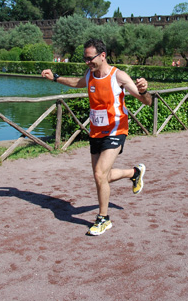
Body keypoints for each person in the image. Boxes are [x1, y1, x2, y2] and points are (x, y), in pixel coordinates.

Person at [41, 38, 152, 235]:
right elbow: (77, 82)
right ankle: (134, 173)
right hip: (96, 132)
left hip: (116, 130)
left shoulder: (119, 76)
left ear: (102, 56)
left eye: (90, 58)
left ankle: (104, 218)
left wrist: (144, 91)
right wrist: (56, 77)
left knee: (100, 173)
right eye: (85, 58)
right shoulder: (91, 74)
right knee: (103, 176)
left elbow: (147, 102)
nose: (87, 62)